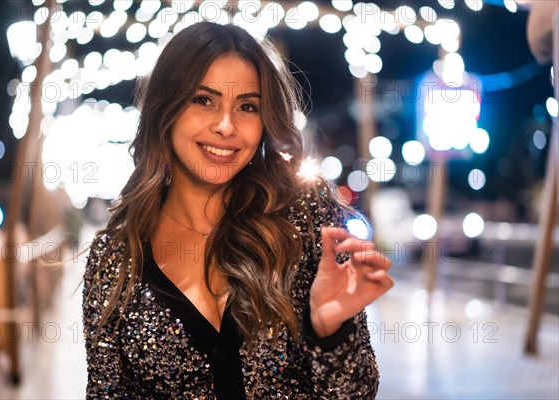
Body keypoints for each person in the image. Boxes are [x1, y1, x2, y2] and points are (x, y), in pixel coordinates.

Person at [82, 21, 393, 399]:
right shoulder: (115, 258)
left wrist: (331, 333)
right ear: (167, 110)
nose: (227, 125)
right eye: (204, 100)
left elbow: (357, 394)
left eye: (247, 106)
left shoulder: (306, 221)